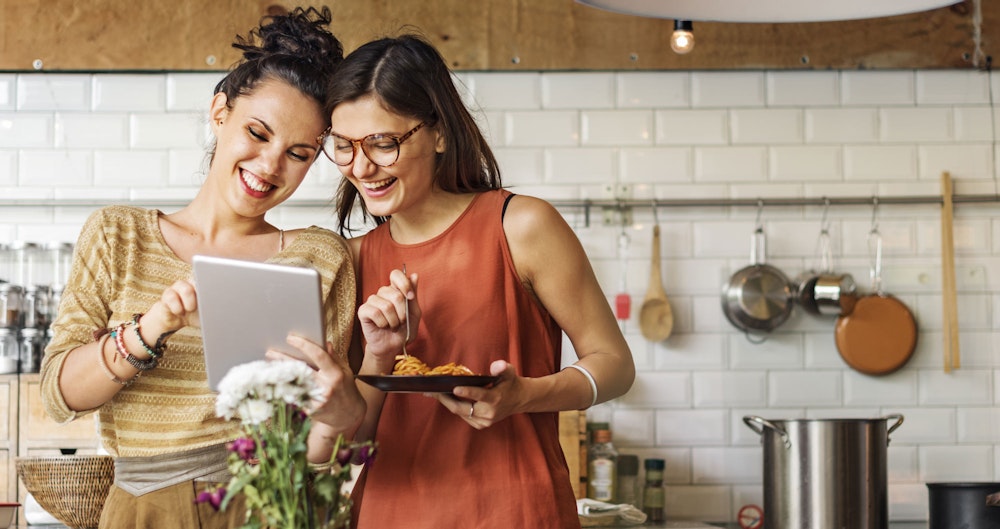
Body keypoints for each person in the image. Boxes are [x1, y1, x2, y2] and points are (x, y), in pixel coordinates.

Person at [39, 7, 365, 528]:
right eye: (257, 133)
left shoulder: (322, 257)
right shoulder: (119, 235)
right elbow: (59, 396)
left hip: (278, 502)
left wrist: (344, 409)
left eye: (299, 153)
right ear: (220, 112)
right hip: (147, 509)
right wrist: (150, 330)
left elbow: (326, 437)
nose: (270, 166)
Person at [321, 34, 636, 528]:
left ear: (439, 133)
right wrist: (379, 355)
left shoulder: (521, 226)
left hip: (514, 512)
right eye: (343, 146)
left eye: (383, 143)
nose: (361, 167)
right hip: (389, 514)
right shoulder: (353, 259)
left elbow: (616, 366)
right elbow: (351, 444)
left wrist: (523, 396)